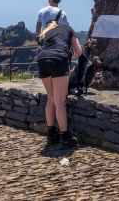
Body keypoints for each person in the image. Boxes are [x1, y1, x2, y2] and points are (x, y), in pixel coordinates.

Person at [36, 11, 82, 147]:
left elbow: (42, 47)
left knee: (50, 98)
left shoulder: (45, 32)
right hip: (59, 59)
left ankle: (51, 134)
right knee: (60, 101)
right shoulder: (68, 29)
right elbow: (78, 52)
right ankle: (65, 135)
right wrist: (69, 56)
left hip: (42, 60)